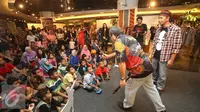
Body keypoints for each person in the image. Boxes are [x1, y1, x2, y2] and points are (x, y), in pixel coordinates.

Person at [102, 26, 166, 112]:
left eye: (110, 36)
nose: (111, 38)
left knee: (129, 88)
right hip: (147, 66)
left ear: (112, 35)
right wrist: (109, 56)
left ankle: (127, 106)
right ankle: (161, 109)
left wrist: (123, 78)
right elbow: (124, 51)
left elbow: (122, 63)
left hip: (138, 70)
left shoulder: (118, 42)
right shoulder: (129, 37)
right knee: (151, 89)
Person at [149, 10, 182, 91]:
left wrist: (171, 59)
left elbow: (176, 46)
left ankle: (160, 87)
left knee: (162, 73)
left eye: (161, 18)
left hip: (165, 55)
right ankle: (153, 83)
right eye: (158, 18)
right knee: (153, 70)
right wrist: (150, 53)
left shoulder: (176, 29)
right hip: (155, 54)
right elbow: (154, 42)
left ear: (167, 18)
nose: (159, 19)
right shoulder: (158, 29)